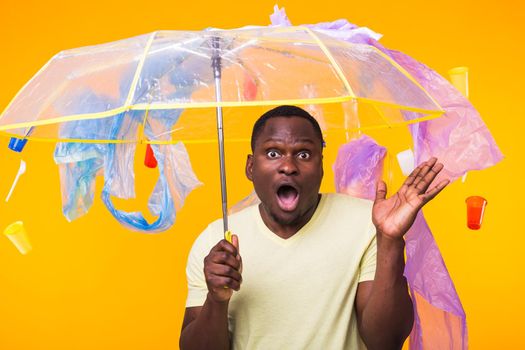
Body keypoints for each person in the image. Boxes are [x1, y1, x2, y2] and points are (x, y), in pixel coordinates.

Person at [179, 105, 449, 350]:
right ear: (251, 167)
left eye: (304, 154)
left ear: (321, 165)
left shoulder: (367, 223)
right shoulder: (215, 241)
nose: (288, 166)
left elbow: (386, 342)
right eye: (273, 153)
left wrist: (389, 239)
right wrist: (216, 299)